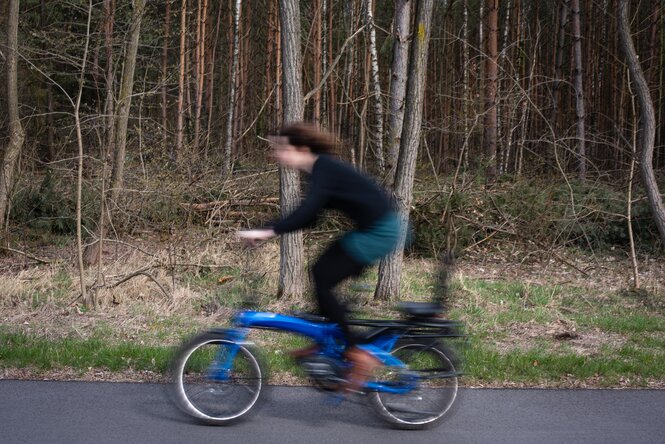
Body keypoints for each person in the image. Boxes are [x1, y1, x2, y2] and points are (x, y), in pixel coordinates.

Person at [238, 122, 400, 392]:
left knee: (322, 276)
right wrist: (269, 227)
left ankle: (357, 353)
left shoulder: (323, 168)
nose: (276, 154)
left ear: (301, 148)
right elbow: (311, 217)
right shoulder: (319, 170)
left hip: (381, 231)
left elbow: (307, 213)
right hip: (374, 229)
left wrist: (267, 231)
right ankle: (329, 340)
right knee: (321, 274)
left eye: (281, 148)